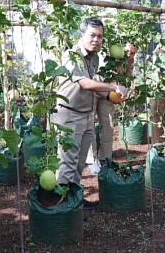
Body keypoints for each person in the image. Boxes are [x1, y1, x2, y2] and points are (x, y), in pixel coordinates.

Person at [53, 17, 128, 209]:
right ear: (82, 35)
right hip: (69, 115)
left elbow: (95, 86)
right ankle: (63, 205)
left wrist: (113, 96)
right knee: (67, 161)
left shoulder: (93, 57)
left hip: (86, 115)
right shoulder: (72, 55)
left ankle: (74, 198)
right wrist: (112, 85)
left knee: (79, 163)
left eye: (100, 36)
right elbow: (84, 83)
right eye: (92, 35)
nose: (96, 40)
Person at [87, 41, 138, 174]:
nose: (130, 55)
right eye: (127, 52)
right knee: (90, 124)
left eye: (133, 53)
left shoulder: (129, 61)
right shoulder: (107, 56)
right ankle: (92, 160)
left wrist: (125, 91)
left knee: (108, 123)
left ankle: (105, 158)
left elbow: (127, 79)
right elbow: (98, 80)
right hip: (95, 89)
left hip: (110, 94)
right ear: (121, 49)